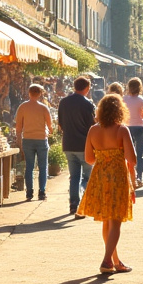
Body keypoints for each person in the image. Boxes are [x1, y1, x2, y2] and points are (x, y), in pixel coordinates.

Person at [77, 94, 137, 274]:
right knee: (115, 221)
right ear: (120, 111)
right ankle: (106, 260)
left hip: (100, 176)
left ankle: (115, 261)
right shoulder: (121, 130)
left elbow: (89, 159)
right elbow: (132, 159)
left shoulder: (93, 130)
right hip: (117, 177)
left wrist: (104, 157)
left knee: (106, 221)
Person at [58, 76, 96, 217]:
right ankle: (83, 204)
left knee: (74, 176)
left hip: (68, 144)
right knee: (87, 177)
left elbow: (60, 124)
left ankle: (73, 203)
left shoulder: (64, 102)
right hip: (84, 145)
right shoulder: (88, 104)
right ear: (87, 88)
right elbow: (92, 126)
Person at [14, 84, 53, 201]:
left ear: (29, 93)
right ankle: (42, 192)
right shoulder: (44, 108)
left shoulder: (22, 107)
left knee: (29, 167)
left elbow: (18, 127)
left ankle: (29, 192)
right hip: (41, 140)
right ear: (40, 94)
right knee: (43, 167)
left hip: (27, 140)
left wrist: (19, 140)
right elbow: (50, 126)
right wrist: (49, 131)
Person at [122, 78, 143, 189]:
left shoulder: (124, 99)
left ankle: (129, 176)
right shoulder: (141, 100)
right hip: (139, 127)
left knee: (128, 153)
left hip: (127, 127)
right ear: (140, 87)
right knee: (139, 153)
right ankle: (139, 177)